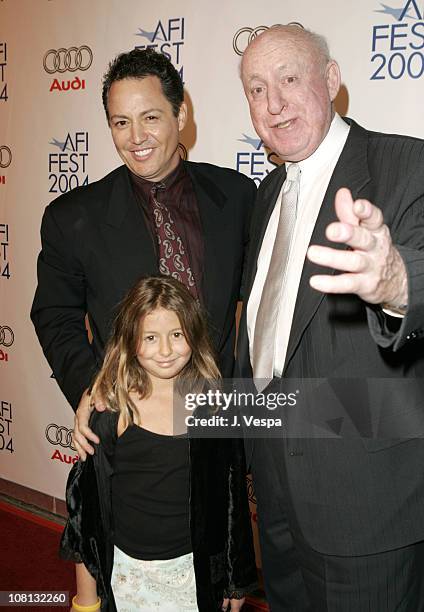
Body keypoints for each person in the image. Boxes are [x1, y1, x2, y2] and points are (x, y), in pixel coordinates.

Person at [236, 24, 424, 611]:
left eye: (290, 79)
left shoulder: (405, 163)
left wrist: (394, 280)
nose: (273, 103)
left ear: (332, 79)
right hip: (277, 500)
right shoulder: (266, 193)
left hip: (368, 512)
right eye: (256, 88)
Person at [31, 48, 256, 458]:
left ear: (181, 116)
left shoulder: (238, 196)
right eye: (121, 122)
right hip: (127, 425)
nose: (135, 137)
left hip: (218, 426)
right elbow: (54, 315)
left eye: (150, 117)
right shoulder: (72, 217)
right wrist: (92, 386)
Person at [61, 275, 257, 612]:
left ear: (193, 336)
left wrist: (236, 582)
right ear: (129, 341)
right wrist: (86, 602)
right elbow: (85, 515)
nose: (165, 350)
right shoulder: (112, 409)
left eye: (177, 335)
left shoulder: (214, 407)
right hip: (126, 576)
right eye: (150, 337)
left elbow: (232, 498)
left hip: (193, 579)